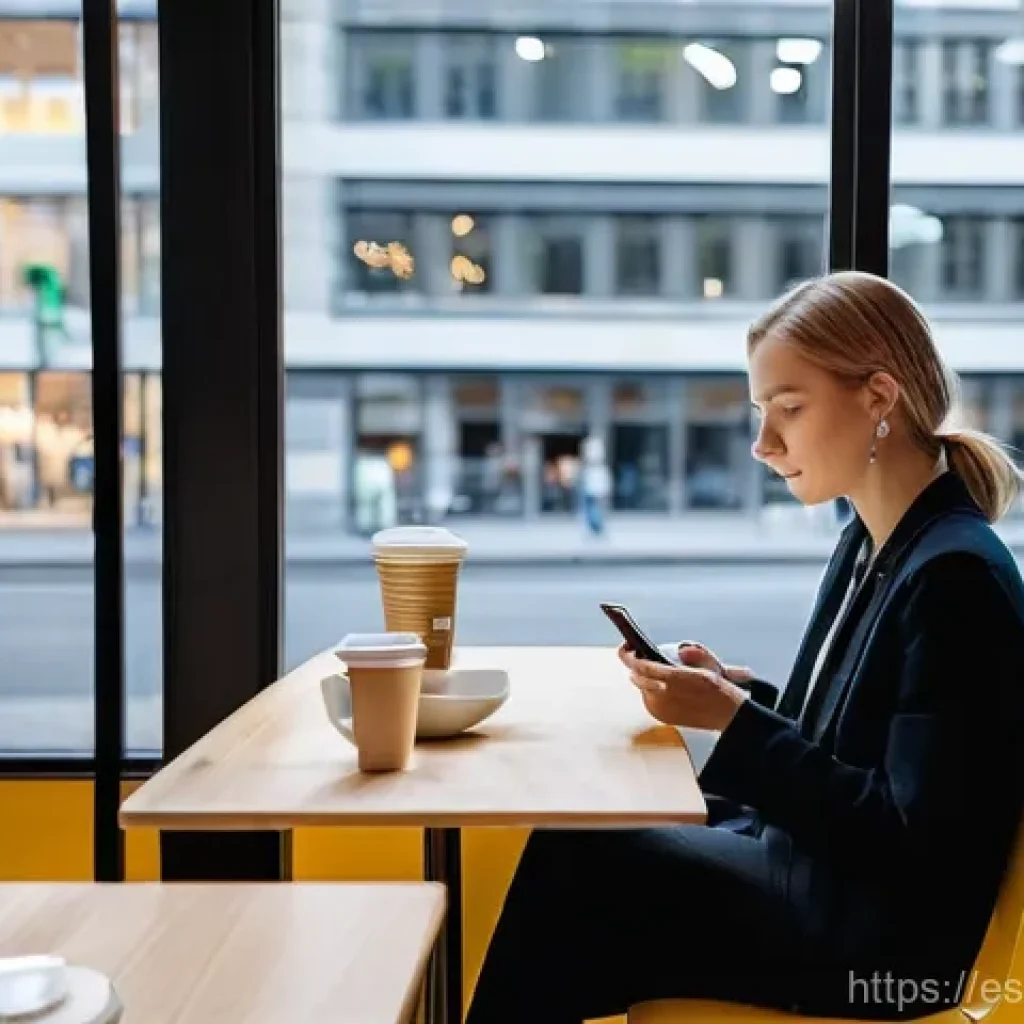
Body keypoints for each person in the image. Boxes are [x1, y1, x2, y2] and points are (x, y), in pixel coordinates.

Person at [465, 271, 1024, 1023]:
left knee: (583, 865)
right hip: (820, 881)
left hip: (880, 949)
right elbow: (859, 749)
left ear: (880, 399)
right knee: (586, 845)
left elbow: (911, 843)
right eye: (762, 412)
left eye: (788, 410)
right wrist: (737, 697)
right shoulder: (873, 538)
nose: (764, 444)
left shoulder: (956, 575)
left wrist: (734, 721)